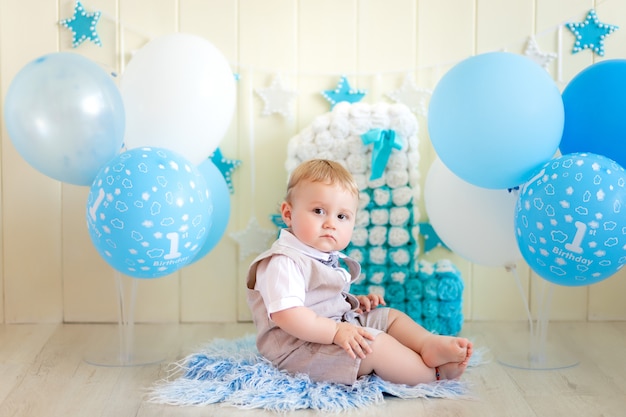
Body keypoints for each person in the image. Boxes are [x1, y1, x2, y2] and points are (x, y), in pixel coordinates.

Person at [246, 159, 473, 386]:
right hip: (297, 352)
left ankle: (427, 344)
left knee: (389, 317)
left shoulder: (319, 255)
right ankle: (433, 375)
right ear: (288, 213)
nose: (330, 223)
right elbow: (289, 315)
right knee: (374, 346)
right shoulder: (284, 262)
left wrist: (350, 303)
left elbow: (321, 300)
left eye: (341, 216)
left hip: (332, 330)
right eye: (318, 211)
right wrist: (336, 331)